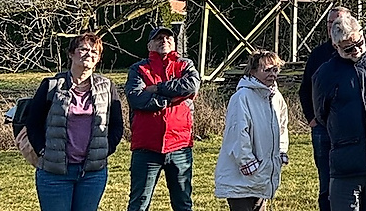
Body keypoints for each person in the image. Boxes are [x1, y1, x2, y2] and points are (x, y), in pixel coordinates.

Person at [25, 32, 125, 211]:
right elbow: (33, 123)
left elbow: (117, 125)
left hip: (92, 174)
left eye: (94, 52)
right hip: (54, 173)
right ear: (71, 53)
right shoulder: (51, 86)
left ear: (98, 59)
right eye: (83, 49)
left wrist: (105, 150)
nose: (89, 54)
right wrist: (42, 150)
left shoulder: (107, 87)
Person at [313, 15, 366, 211]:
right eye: (348, 49)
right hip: (346, 165)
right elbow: (321, 114)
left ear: (362, 34)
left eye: (359, 43)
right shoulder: (325, 74)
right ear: (335, 46)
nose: (356, 50)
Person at [125, 26, 202, 211]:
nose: (164, 41)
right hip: (146, 147)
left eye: (168, 38)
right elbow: (137, 98)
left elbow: (191, 86)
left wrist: (157, 89)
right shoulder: (138, 69)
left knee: (183, 203)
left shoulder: (185, 65)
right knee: (139, 204)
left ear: (174, 43)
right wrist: (170, 100)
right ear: (149, 45)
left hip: (180, 145)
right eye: (159, 38)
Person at [214, 50, 291, 211]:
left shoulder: (276, 97)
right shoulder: (242, 97)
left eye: (275, 70)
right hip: (242, 177)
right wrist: (249, 164)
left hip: (263, 176)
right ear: (253, 71)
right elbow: (238, 135)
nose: (272, 74)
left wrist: (281, 153)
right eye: (267, 70)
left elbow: (282, 127)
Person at [298, 6, 352, 211]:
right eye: (330, 23)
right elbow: (305, 89)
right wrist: (312, 119)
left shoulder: (356, 53)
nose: (333, 27)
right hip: (323, 128)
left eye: (337, 23)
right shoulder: (318, 55)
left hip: (350, 128)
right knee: (326, 182)